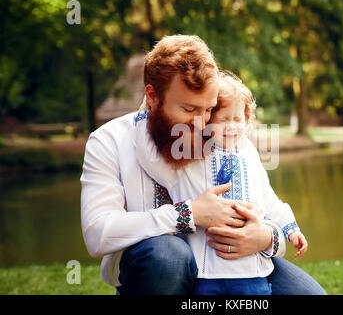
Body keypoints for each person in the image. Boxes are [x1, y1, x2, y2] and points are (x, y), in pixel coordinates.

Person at [80, 34, 326, 295]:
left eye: (208, 109)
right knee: (168, 256)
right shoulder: (109, 142)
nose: (201, 123)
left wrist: (267, 237)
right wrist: (189, 214)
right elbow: (98, 233)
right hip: (160, 272)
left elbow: (263, 199)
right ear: (152, 96)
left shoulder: (223, 138)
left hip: (233, 265)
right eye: (188, 109)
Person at [135, 70, 309, 295]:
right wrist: (144, 116)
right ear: (206, 122)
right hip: (207, 271)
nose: (231, 126)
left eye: (237, 119)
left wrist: (290, 228)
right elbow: (151, 160)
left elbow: (268, 198)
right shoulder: (192, 155)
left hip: (251, 272)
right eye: (222, 119)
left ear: (247, 120)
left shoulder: (250, 155)